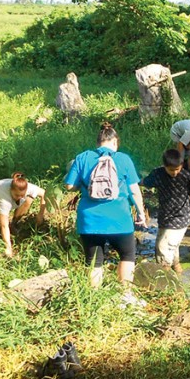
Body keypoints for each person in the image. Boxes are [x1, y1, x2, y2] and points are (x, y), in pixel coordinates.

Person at [65, 123, 148, 296]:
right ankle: (125, 295)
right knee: (127, 255)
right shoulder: (124, 159)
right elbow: (134, 190)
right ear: (115, 143)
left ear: (98, 143)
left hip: (89, 220)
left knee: (94, 260)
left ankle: (95, 298)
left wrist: (82, 183)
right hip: (120, 219)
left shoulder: (83, 157)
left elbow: (69, 186)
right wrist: (141, 213)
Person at [141, 149, 190, 274]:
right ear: (165, 166)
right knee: (171, 246)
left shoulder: (186, 176)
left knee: (163, 248)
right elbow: (146, 182)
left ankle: (164, 278)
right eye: (171, 170)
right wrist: (134, 181)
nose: (175, 173)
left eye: (178, 169)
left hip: (180, 218)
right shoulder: (158, 174)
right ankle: (177, 270)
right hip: (165, 217)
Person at [0, 172, 47, 257]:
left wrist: (40, 214)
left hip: (9, 199)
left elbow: (44, 194)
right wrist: (8, 247)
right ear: (11, 190)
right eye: (17, 195)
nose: (20, 197)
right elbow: (4, 225)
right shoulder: (4, 197)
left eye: (22, 195)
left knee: (29, 199)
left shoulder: (28, 188)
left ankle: (14, 223)